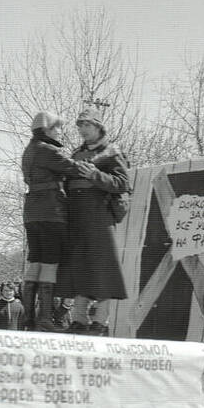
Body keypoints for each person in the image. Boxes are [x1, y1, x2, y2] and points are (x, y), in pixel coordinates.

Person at [62, 104, 131, 336]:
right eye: (80, 125)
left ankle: (100, 322)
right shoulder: (76, 154)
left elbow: (122, 183)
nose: (82, 129)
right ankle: (79, 320)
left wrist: (95, 175)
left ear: (98, 127)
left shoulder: (113, 152)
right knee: (80, 270)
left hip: (100, 217)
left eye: (87, 125)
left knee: (103, 271)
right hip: (78, 217)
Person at [20, 110, 85, 332]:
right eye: (58, 128)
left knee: (35, 263)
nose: (60, 133)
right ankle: (45, 318)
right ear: (47, 129)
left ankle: (28, 318)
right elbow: (75, 168)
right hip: (51, 212)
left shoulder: (29, 150)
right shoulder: (47, 150)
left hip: (32, 213)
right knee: (49, 264)